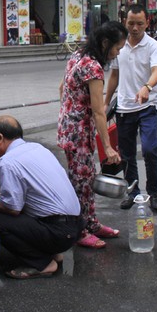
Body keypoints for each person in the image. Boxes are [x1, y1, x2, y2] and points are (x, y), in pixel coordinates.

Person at [57, 21, 128, 249]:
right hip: (78, 132)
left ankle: (92, 224)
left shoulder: (78, 55)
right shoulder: (93, 67)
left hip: (70, 126)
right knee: (81, 181)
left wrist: (70, 111)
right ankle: (79, 231)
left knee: (85, 178)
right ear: (106, 43)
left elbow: (62, 89)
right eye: (117, 48)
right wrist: (107, 147)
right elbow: (99, 111)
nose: (117, 53)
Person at [0, 116, 84, 279]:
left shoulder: (8, 161)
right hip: (77, 224)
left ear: (0, 138)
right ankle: (54, 252)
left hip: (59, 232)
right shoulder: (38, 148)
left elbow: (12, 208)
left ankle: (43, 263)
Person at [104, 5, 157, 212]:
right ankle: (133, 191)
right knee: (127, 154)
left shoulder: (153, 46)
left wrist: (147, 87)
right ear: (125, 22)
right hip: (124, 108)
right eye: (131, 23)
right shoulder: (119, 46)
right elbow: (114, 75)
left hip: (148, 105)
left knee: (149, 149)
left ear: (147, 23)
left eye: (140, 23)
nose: (135, 28)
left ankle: (154, 191)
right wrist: (106, 102)